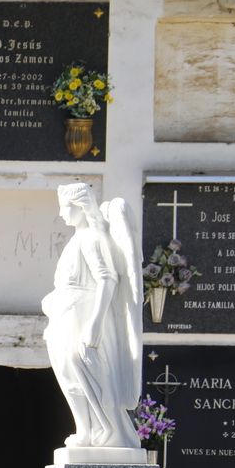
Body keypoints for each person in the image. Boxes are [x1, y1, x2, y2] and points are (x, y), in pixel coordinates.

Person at [41, 182, 143, 449]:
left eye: (65, 208)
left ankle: (109, 430)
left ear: (80, 207)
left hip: (82, 314)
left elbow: (107, 279)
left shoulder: (91, 238)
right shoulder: (77, 239)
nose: (62, 214)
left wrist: (95, 324)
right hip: (65, 315)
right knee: (68, 374)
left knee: (83, 367)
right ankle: (85, 431)